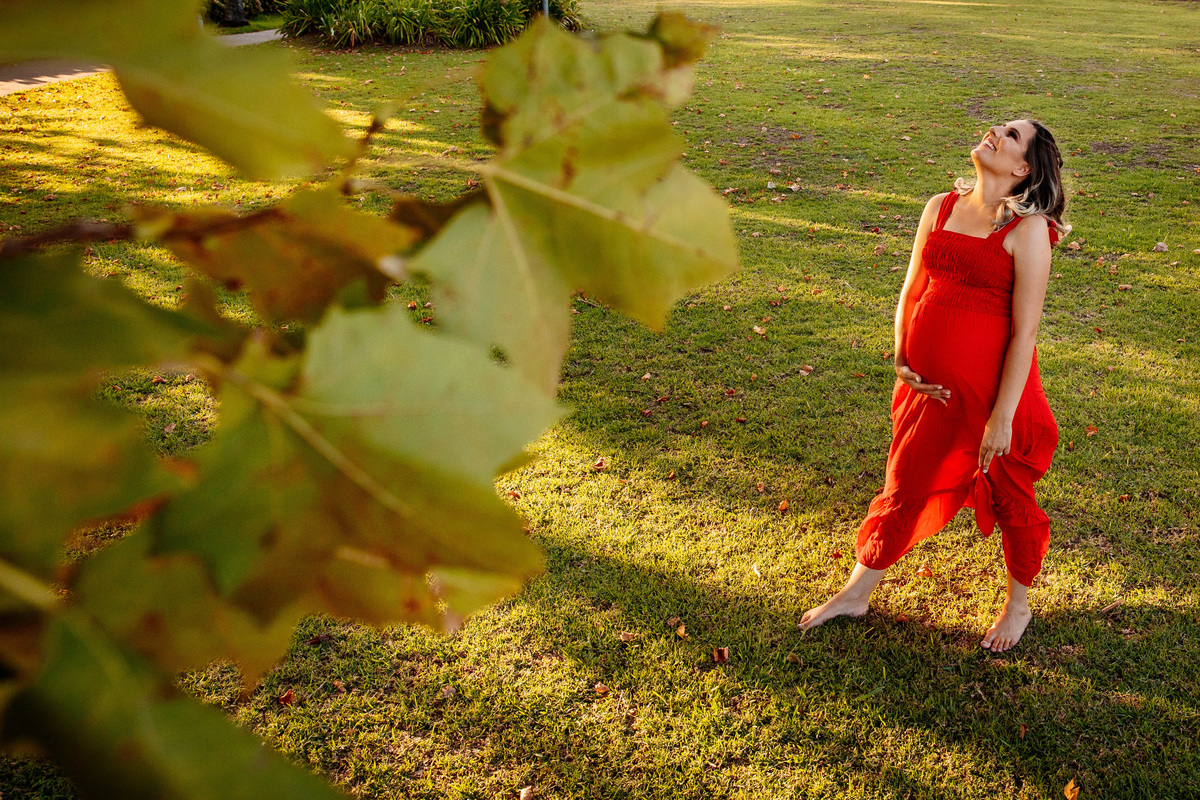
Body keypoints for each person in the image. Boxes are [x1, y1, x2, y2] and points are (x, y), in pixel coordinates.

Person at [799, 119, 1068, 652]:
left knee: (1008, 487)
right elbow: (911, 288)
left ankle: (1019, 604)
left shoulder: (1028, 231)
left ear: (1022, 168)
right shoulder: (940, 207)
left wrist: (1003, 415)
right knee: (907, 478)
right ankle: (857, 591)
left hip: (995, 394)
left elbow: (1026, 331)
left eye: (1012, 135)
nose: (996, 130)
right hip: (930, 389)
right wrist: (903, 353)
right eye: (1000, 125)